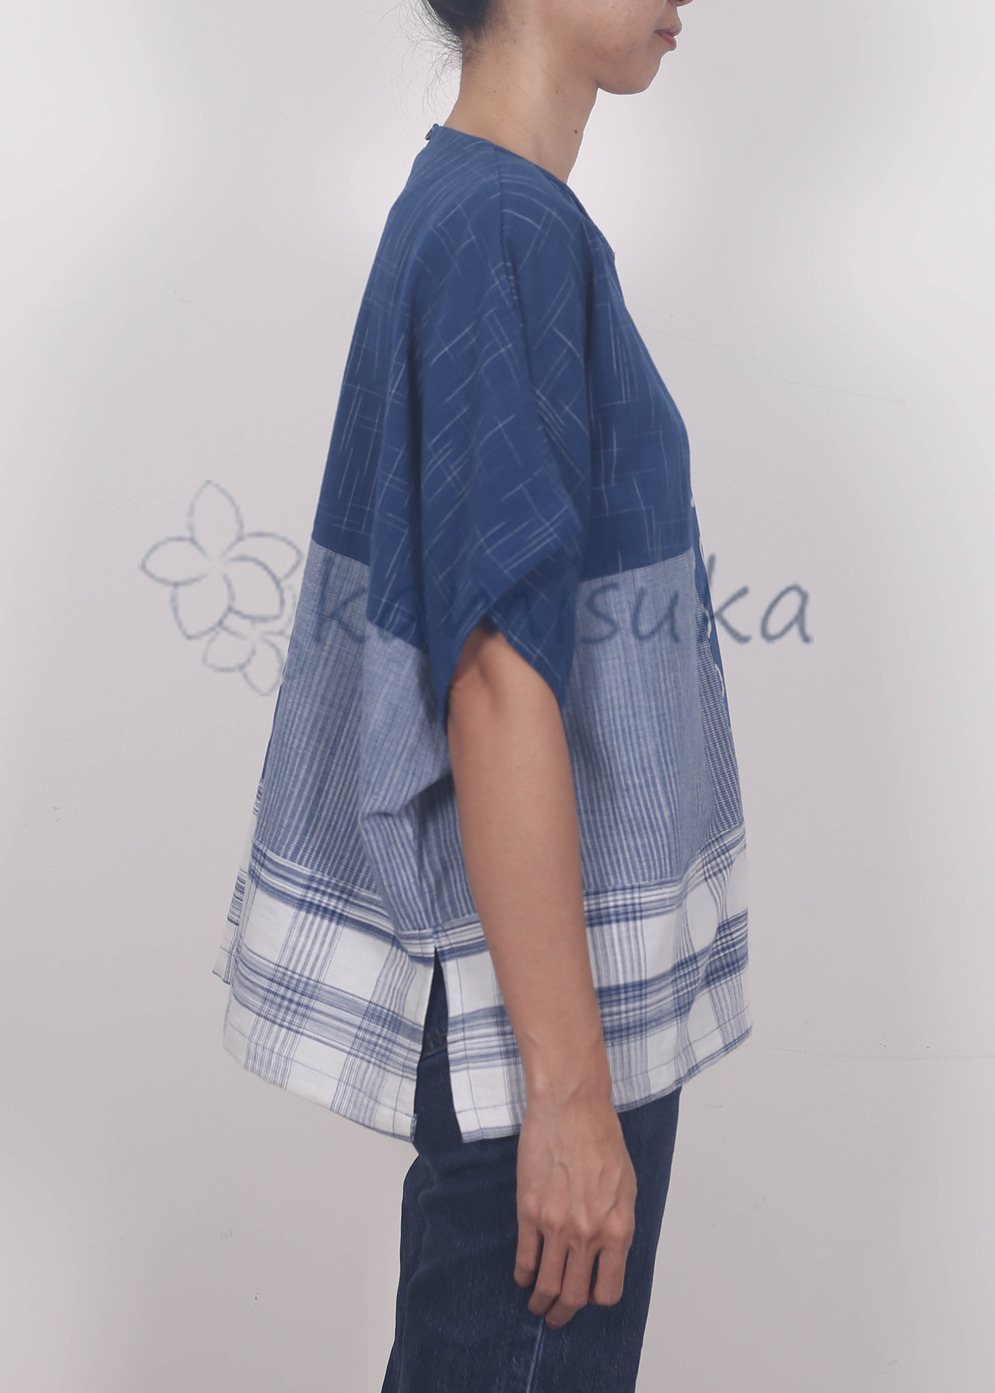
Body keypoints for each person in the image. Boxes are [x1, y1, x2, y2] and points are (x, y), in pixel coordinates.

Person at [212, 0, 751, 1388]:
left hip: (539, 1010)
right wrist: (569, 1096)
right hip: (539, 1037)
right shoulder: (502, 230)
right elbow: (496, 676)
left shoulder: (484, 213)